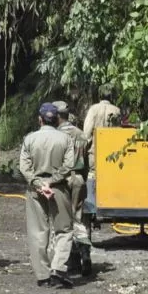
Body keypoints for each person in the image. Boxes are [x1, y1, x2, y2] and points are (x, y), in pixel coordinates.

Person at [18, 103, 75, 288]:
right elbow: (69, 165)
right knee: (64, 230)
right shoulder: (66, 139)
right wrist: (52, 181)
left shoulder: (29, 139)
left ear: (40, 119)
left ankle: (42, 275)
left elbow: (24, 168)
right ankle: (58, 268)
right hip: (59, 188)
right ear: (57, 119)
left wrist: (38, 183)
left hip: (36, 190)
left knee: (38, 231)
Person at [54, 100, 92, 277]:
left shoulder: (55, 136)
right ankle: (85, 255)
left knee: (62, 219)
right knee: (79, 218)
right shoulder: (81, 134)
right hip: (79, 179)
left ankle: (70, 259)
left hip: (62, 179)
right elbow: (86, 161)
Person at [83, 85, 121, 179]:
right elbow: (118, 133)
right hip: (111, 153)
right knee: (109, 178)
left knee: (93, 176)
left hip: (94, 151)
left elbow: (86, 133)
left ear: (99, 95)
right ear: (111, 96)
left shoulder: (93, 109)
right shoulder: (117, 110)